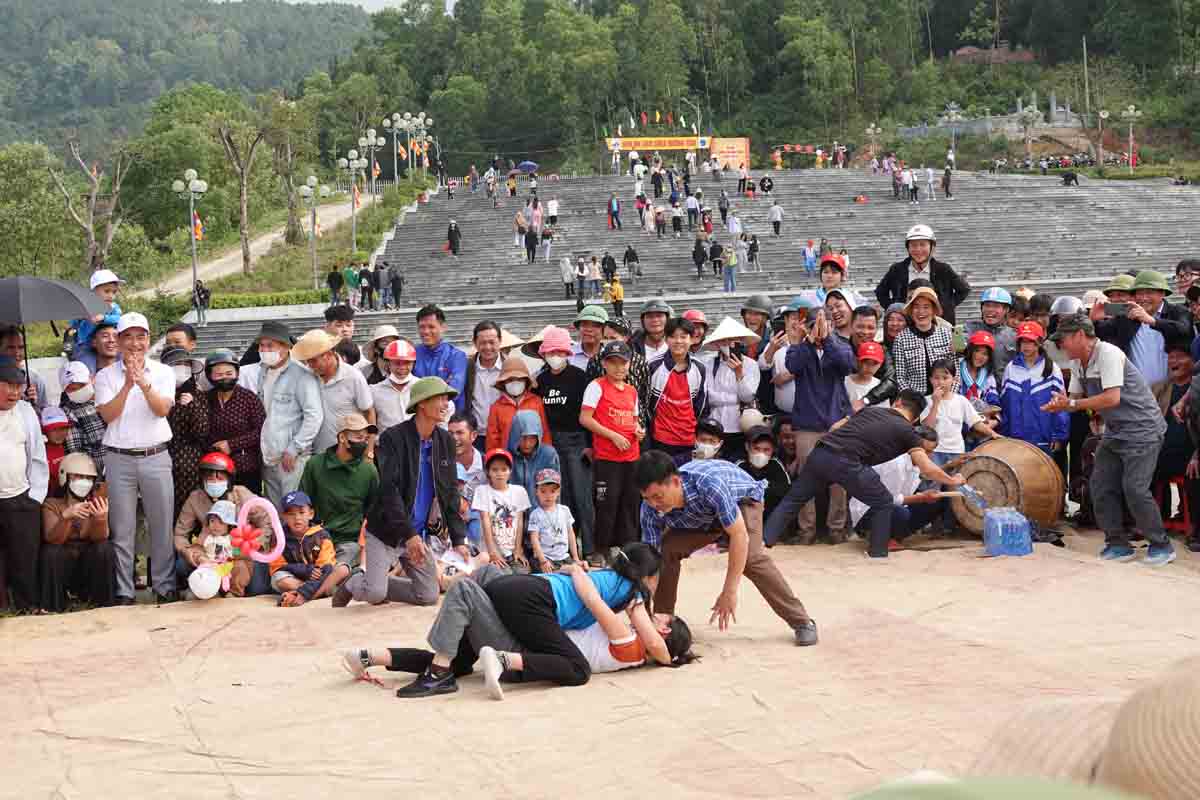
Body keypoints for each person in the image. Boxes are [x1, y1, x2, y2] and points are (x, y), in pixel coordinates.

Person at [637, 452, 818, 644]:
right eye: (647, 498)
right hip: (704, 518)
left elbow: (739, 535)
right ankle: (663, 624)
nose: (654, 504)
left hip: (743, 501)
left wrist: (729, 592)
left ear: (675, 481)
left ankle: (802, 622)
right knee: (666, 551)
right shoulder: (649, 508)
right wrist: (644, 609)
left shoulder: (710, 485)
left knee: (750, 559)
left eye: (658, 496)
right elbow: (651, 561)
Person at [765, 390, 966, 559]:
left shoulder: (870, 411)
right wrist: (952, 480)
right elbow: (927, 468)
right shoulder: (908, 431)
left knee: (793, 499)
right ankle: (877, 553)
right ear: (916, 418)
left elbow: (835, 427)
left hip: (822, 452)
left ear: (897, 402)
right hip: (848, 462)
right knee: (884, 502)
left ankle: (764, 542)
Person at [1043, 315, 1175, 565]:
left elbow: (1112, 398)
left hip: (1143, 430)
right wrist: (1059, 404)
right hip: (1115, 431)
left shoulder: (1109, 354)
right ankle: (1117, 544)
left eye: (1063, 340)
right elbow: (1073, 400)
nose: (1061, 345)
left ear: (1079, 335)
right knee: (1100, 486)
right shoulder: (1079, 363)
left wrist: (1071, 403)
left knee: (1135, 489)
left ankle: (1161, 545)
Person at [339, 377, 459, 606]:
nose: (446, 404)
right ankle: (353, 581)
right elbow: (388, 489)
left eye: (447, 399)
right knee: (374, 595)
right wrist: (409, 533)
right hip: (387, 531)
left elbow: (450, 490)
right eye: (441, 398)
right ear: (422, 403)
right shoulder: (393, 437)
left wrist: (458, 537)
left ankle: (377, 583)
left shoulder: (445, 441)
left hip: (416, 533)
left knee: (429, 596)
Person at [93, 314, 178, 604]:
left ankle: (165, 587)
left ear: (148, 338)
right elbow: (107, 415)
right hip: (119, 459)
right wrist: (128, 384)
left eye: (140, 336)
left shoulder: (163, 372)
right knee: (122, 527)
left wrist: (143, 383)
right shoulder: (104, 376)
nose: (134, 343)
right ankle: (124, 590)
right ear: (117, 341)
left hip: (156, 455)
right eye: (127, 337)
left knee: (162, 523)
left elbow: (162, 409)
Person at [532, 327, 594, 559]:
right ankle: (562, 549)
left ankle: (589, 548)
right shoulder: (540, 380)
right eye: (551, 352)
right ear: (544, 354)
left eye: (560, 351)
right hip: (551, 441)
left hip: (577, 441)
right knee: (559, 496)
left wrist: (589, 444)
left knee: (582, 497)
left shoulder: (580, 377)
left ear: (567, 352)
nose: (555, 356)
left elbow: (589, 413)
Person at [580, 340, 644, 564]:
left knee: (630, 503)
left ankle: (628, 549)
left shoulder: (632, 391)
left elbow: (634, 421)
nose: (619, 367)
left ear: (629, 364)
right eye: (613, 362)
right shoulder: (596, 386)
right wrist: (612, 436)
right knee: (607, 504)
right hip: (608, 457)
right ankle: (601, 549)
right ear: (604, 364)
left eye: (623, 363)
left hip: (631, 456)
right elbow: (585, 418)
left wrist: (638, 431)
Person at [173, 450, 269, 588]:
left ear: (229, 480)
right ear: (202, 480)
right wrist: (190, 553)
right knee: (182, 565)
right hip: (211, 552)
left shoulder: (242, 494)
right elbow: (180, 533)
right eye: (210, 478)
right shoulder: (195, 498)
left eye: (220, 478)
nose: (215, 482)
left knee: (257, 589)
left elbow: (266, 521)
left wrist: (256, 542)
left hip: (241, 552)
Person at [254, 321, 323, 509]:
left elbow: (314, 416)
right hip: (268, 455)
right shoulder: (263, 372)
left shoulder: (302, 375)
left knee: (294, 509)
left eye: (270, 346)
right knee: (273, 510)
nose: (264, 349)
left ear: (285, 347)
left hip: (292, 458)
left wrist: (294, 448)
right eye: (262, 345)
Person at [1092, 270, 1191, 397]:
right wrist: (1093, 321)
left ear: (1162, 293)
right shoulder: (1127, 317)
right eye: (1139, 293)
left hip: (1172, 390)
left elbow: (1184, 329)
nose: (1144, 298)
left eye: (1149, 293)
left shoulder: (1177, 311)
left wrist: (1153, 321)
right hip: (1137, 392)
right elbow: (1100, 333)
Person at [0, 356, 48, 611]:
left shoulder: (26, 412)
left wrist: (35, 497)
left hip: (21, 497)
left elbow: (38, 456)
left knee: (25, 558)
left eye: (18, 386)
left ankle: (27, 607)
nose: (14, 392)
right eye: (7, 385)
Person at [38, 452, 113, 611]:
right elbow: (52, 538)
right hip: (63, 567)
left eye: (88, 478)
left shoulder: (97, 502)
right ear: (65, 477)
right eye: (78, 476)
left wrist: (100, 519)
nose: (84, 482)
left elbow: (99, 538)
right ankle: (53, 606)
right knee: (51, 552)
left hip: (86, 568)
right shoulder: (52, 504)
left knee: (105, 548)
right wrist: (66, 517)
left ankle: (104, 604)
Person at [292, 330, 374, 455]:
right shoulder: (309, 377)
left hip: (351, 453)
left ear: (328, 354)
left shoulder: (353, 377)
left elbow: (369, 412)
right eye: (307, 361)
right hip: (320, 455)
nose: (310, 365)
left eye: (313, 360)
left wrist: (369, 451)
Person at [875, 225, 971, 324]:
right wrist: (895, 308)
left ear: (932, 247)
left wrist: (945, 306)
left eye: (922, 244)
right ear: (908, 248)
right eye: (914, 245)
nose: (918, 249)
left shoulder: (943, 269)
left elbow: (964, 289)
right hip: (906, 324)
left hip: (938, 324)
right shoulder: (897, 269)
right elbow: (880, 292)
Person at [201, 349, 265, 495]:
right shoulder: (205, 399)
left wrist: (231, 445)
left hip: (245, 466)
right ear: (209, 376)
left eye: (229, 373)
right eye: (218, 374)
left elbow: (261, 430)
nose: (225, 378)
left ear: (237, 373)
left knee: (248, 509)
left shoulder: (249, 399)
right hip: (214, 467)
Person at [998, 323, 1069, 455]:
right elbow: (1006, 404)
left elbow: (1061, 406)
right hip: (1016, 438)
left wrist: (1058, 435)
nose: (1026, 346)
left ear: (1040, 343)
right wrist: (1005, 433)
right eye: (1023, 342)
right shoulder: (1011, 368)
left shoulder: (1052, 368)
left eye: (1031, 342)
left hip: (1043, 437)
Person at [645, 318, 707, 465]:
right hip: (661, 439)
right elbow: (645, 402)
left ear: (692, 339)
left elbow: (701, 404)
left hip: (689, 439)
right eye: (673, 336)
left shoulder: (699, 368)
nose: (678, 341)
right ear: (666, 339)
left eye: (683, 336)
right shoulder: (653, 366)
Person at [160, 345, 208, 519]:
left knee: (193, 513)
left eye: (185, 363)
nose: (182, 367)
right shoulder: (156, 393)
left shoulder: (197, 394)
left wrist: (192, 407)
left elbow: (202, 432)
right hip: (163, 462)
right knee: (167, 514)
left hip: (191, 465)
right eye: (177, 364)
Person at [473, 448, 531, 570]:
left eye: (504, 469)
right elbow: (485, 521)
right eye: (495, 470)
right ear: (488, 472)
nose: (500, 473)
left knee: (522, 573)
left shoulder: (519, 491)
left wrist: (517, 549)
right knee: (502, 578)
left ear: (510, 471)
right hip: (491, 551)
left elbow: (520, 521)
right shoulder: (482, 491)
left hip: (512, 551)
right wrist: (492, 553)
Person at [893, 287, 955, 394]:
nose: (921, 312)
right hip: (915, 400)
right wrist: (913, 400)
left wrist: (948, 395)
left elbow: (956, 372)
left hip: (945, 397)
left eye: (926, 307)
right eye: (916, 307)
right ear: (911, 310)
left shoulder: (946, 334)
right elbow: (900, 377)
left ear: (933, 310)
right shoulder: (901, 339)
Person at [413, 305, 468, 418]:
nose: (426, 331)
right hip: (420, 419)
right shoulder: (413, 354)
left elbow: (453, 391)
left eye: (431, 327)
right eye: (422, 327)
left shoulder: (457, 356)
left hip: (450, 420)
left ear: (443, 327)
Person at [525, 468, 582, 571]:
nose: (548, 495)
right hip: (546, 557)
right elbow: (534, 539)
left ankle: (566, 567)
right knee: (552, 575)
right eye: (543, 491)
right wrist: (543, 560)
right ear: (536, 492)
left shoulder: (564, 510)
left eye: (552, 491)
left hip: (564, 557)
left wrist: (576, 558)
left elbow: (571, 535)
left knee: (577, 571)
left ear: (558, 492)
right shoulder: (536, 514)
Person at [68, 269, 123, 372]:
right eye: (106, 291)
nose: (111, 295)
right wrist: (81, 316)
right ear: (93, 292)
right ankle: (89, 381)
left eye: (114, 292)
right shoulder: (85, 307)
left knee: (121, 361)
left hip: (108, 344)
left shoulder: (113, 307)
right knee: (87, 368)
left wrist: (104, 318)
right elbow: (73, 325)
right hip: (85, 345)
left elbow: (119, 319)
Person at [59, 361, 106, 476]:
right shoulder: (67, 411)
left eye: (81, 385)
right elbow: (76, 454)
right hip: (98, 475)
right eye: (71, 389)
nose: (77, 390)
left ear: (91, 378)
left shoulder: (107, 394)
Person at [734, 425, 791, 522]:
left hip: (770, 517)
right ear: (747, 447)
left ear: (773, 450)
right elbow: (733, 492)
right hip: (744, 518)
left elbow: (785, 489)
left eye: (766, 450)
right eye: (756, 448)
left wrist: (755, 491)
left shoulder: (776, 464)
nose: (761, 454)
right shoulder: (739, 465)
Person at [966, 287, 1019, 375]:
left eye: (996, 306)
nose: (990, 310)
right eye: (987, 305)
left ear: (1006, 309)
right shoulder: (969, 329)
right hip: (976, 385)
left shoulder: (1015, 336)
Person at [370, 338, 417, 433]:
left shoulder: (422, 386)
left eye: (407, 362)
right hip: (386, 445)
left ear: (413, 363)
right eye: (397, 363)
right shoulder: (374, 391)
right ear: (388, 363)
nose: (402, 367)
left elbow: (447, 408)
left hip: (416, 445)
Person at [0, 326, 48, 412]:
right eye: (10, 347)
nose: (17, 353)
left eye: (21, 347)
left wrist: (33, 405)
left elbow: (45, 415)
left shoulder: (34, 379)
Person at [846, 341, 885, 411]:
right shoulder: (844, 382)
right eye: (865, 362)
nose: (869, 367)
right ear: (857, 361)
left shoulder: (880, 386)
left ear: (880, 365)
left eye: (874, 363)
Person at [631, 299, 672, 363]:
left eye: (659, 316)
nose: (655, 320)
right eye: (650, 316)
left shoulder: (678, 344)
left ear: (667, 319)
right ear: (643, 321)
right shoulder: (632, 347)